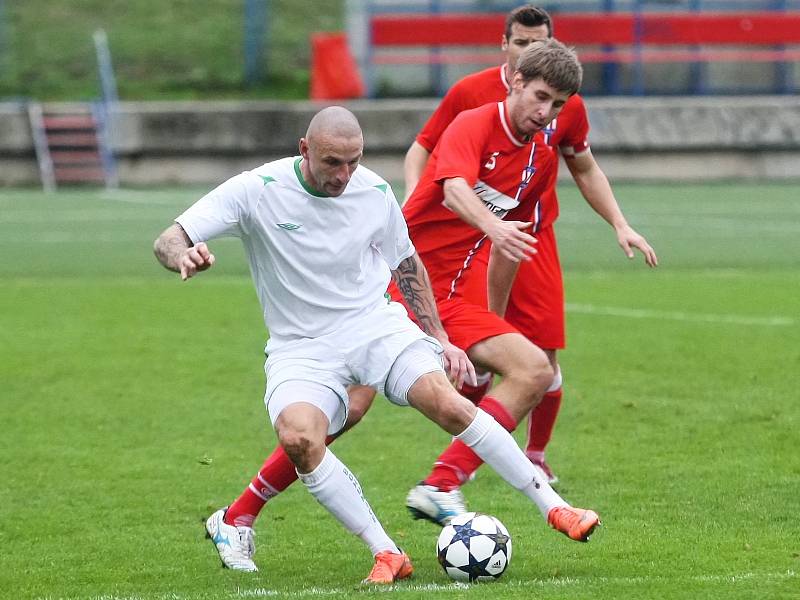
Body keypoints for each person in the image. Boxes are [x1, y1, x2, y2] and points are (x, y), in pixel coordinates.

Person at [153, 105, 597, 582]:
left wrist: (440, 339)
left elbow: (407, 266)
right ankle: (387, 552)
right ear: (305, 150)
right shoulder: (256, 189)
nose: (344, 175)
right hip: (300, 346)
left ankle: (556, 508)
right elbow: (168, 238)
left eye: (353, 161)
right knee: (300, 438)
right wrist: (186, 255)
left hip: (373, 327)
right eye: (331, 163)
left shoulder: (374, 191)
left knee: (445, 402)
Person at [404, 5, 658, 486]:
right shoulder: (471, 100)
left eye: (538, 41)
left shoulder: (553, 128)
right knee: (366, 393)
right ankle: (460, 462)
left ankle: (512, 460)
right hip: (458, 245)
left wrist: (619, 223)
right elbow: (433, 159)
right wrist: (415, 207)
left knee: (539, 361)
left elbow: (583, 168)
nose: (548, 111)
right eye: (520, 44)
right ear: (509, 56)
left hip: (525, 240)